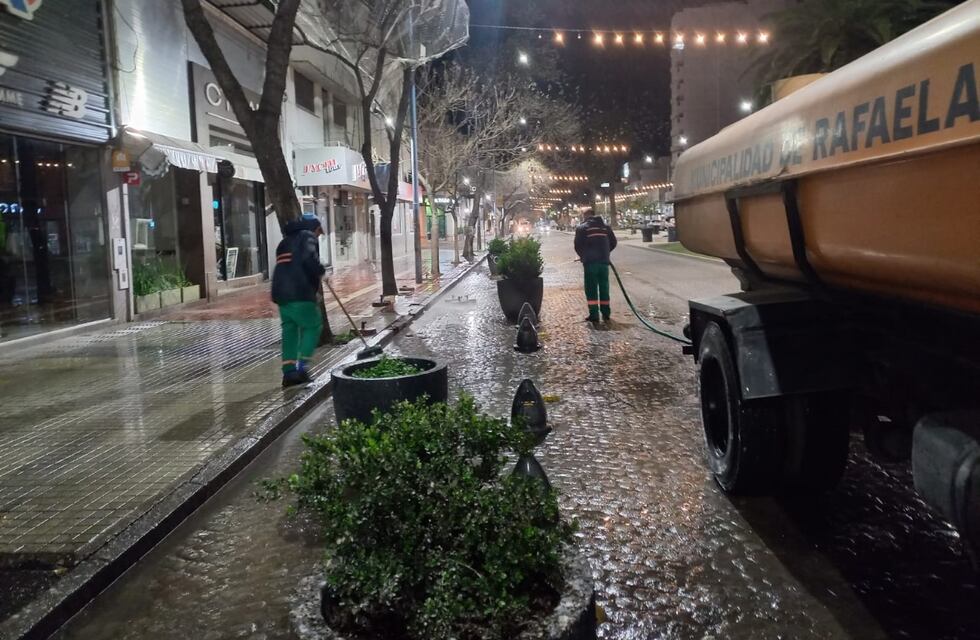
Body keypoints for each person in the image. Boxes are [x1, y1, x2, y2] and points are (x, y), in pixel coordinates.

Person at [272, 217, 326, 388]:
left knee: (290, 331)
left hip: (281, 294)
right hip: (299, 292)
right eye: (319, 232)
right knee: (313, 325)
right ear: (313, 228)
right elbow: (308, 259)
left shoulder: (284, 242)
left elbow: (291, 265)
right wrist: (320, 270)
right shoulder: (307, 237)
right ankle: (302, 368)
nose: (318, 236)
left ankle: (289, 373)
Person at [574, 209, 618, 323]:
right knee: (604, 287)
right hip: (604, 262)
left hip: (590, 264)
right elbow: (613, 242)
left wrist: (583, 256)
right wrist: (605, 253)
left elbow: (577, 245)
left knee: (591, 288)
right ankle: (606, 313)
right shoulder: (606, 227)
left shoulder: (582, 228)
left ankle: (594, 315)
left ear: (586, 216)